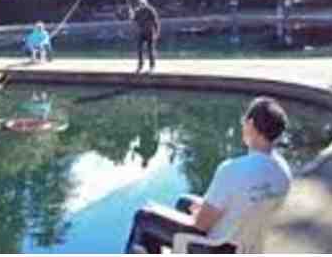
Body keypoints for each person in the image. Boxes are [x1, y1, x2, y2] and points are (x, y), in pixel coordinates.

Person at [125, 96, 292, 253]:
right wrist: (204, 210)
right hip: (248, 245)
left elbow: (201, 225)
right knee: (184, 202)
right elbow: (247, 203)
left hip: (216, 247)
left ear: (250, 124)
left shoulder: (232, 169)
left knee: (144, 217)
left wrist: (199, 214)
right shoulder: (283, 172)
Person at [129, 0, 161, 74]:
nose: (141, 4)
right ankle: (140, 66)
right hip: (141, 33)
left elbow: (156, 21)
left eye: (143, 3)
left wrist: (157, 32)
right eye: (140, 3)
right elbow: (134, 20)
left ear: (146, 2)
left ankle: (152, 67)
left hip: (150, 32)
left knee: (150, 50)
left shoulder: (151, 10)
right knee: (139, 50)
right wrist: (131, 15)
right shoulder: (137, 11)